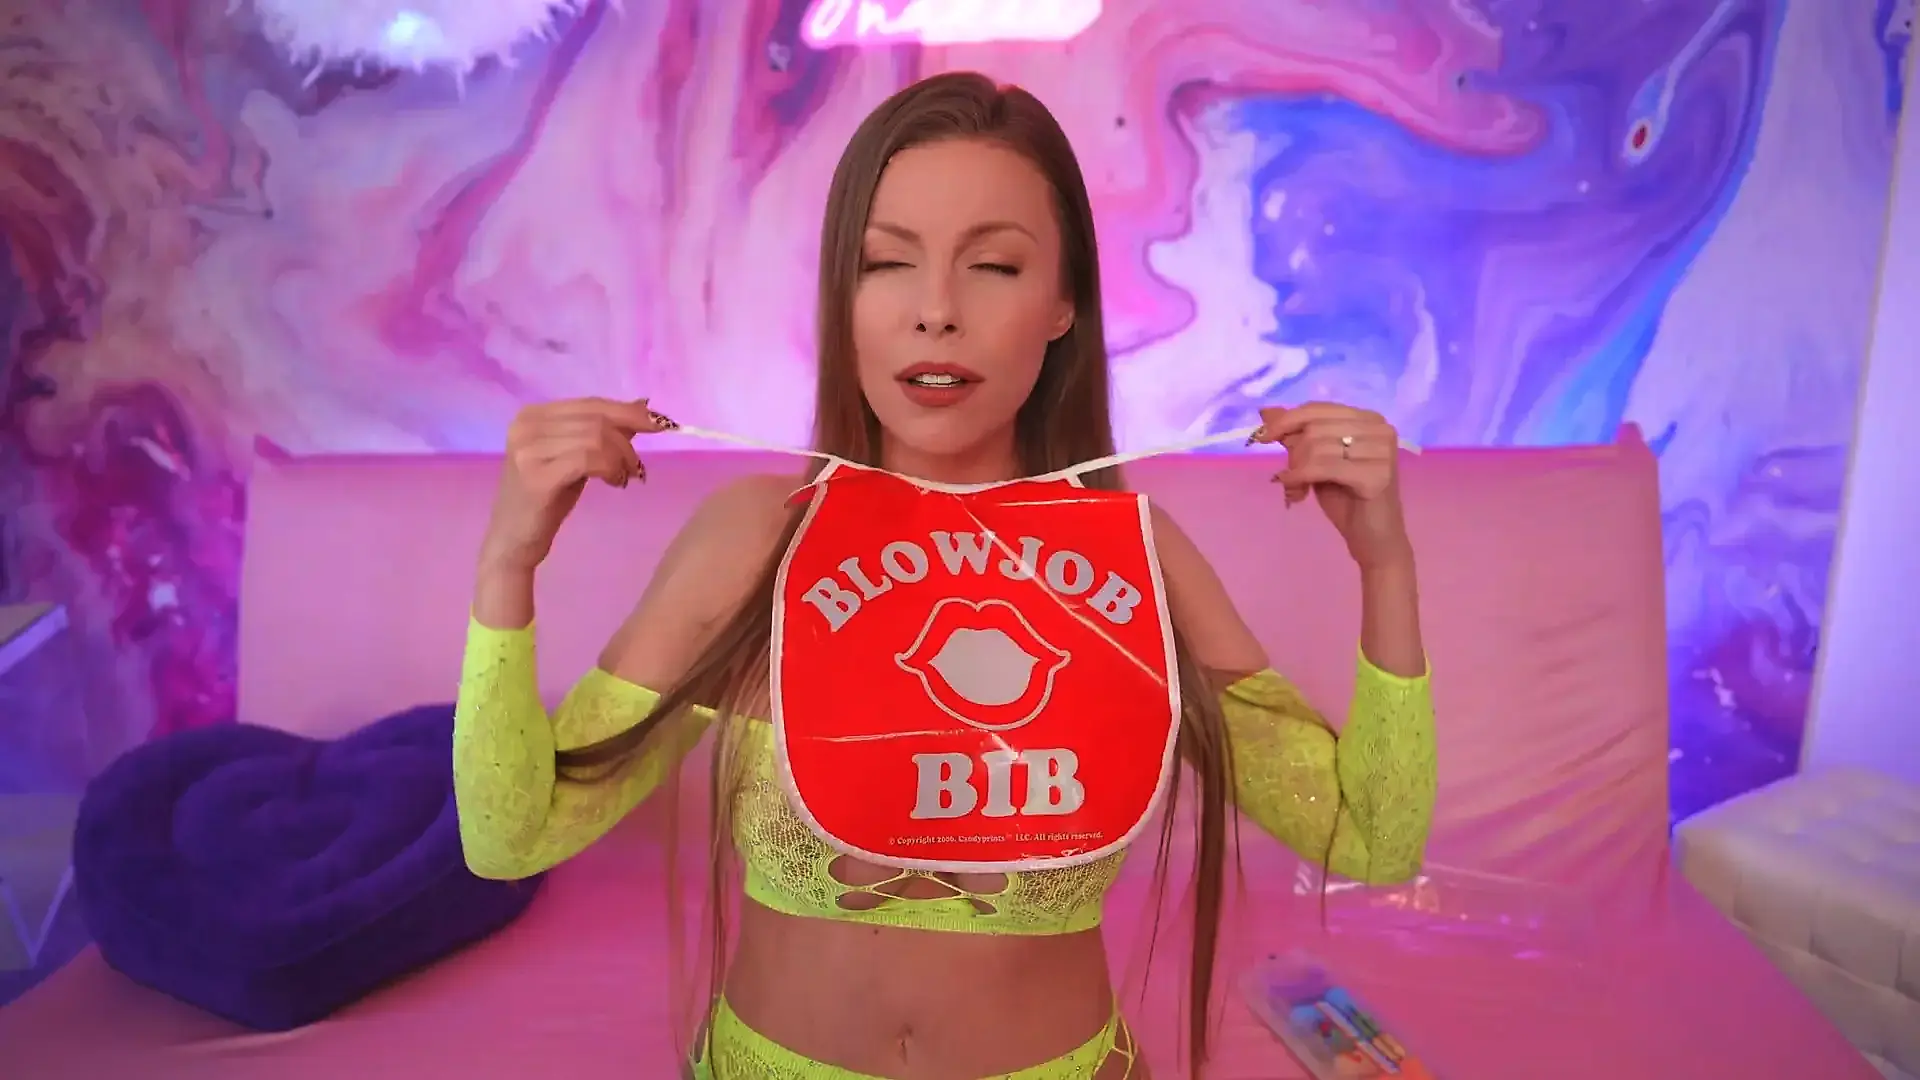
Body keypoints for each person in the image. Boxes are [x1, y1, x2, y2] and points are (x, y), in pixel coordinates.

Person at [453, 71, 1436, 1079]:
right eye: (887, 263)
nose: (935, 312)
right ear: (842, 297)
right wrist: (508, 561)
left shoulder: (1139, 560)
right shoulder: (754, 541)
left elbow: (1370, 842)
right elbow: (509, 837)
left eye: (994, 266)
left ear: (1063, 305)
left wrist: (1385, 564)